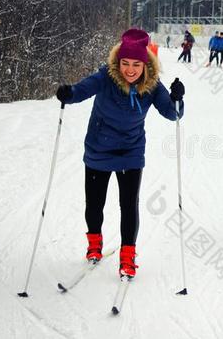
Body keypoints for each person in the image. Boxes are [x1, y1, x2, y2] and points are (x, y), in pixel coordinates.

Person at [55, 28, 186, 278]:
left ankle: (128, 255)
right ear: (118, 62)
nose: (130, 69)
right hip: (99, 147)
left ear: (145, 64)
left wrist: (177, 97)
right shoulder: (106, 77)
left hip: (131, 151)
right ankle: (94, 244)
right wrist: (68, 94)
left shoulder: (152, 86)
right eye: (125, 63)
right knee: (94, 202)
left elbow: (173, 114)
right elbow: (83, 89)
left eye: (136, 64)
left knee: (128, 204)